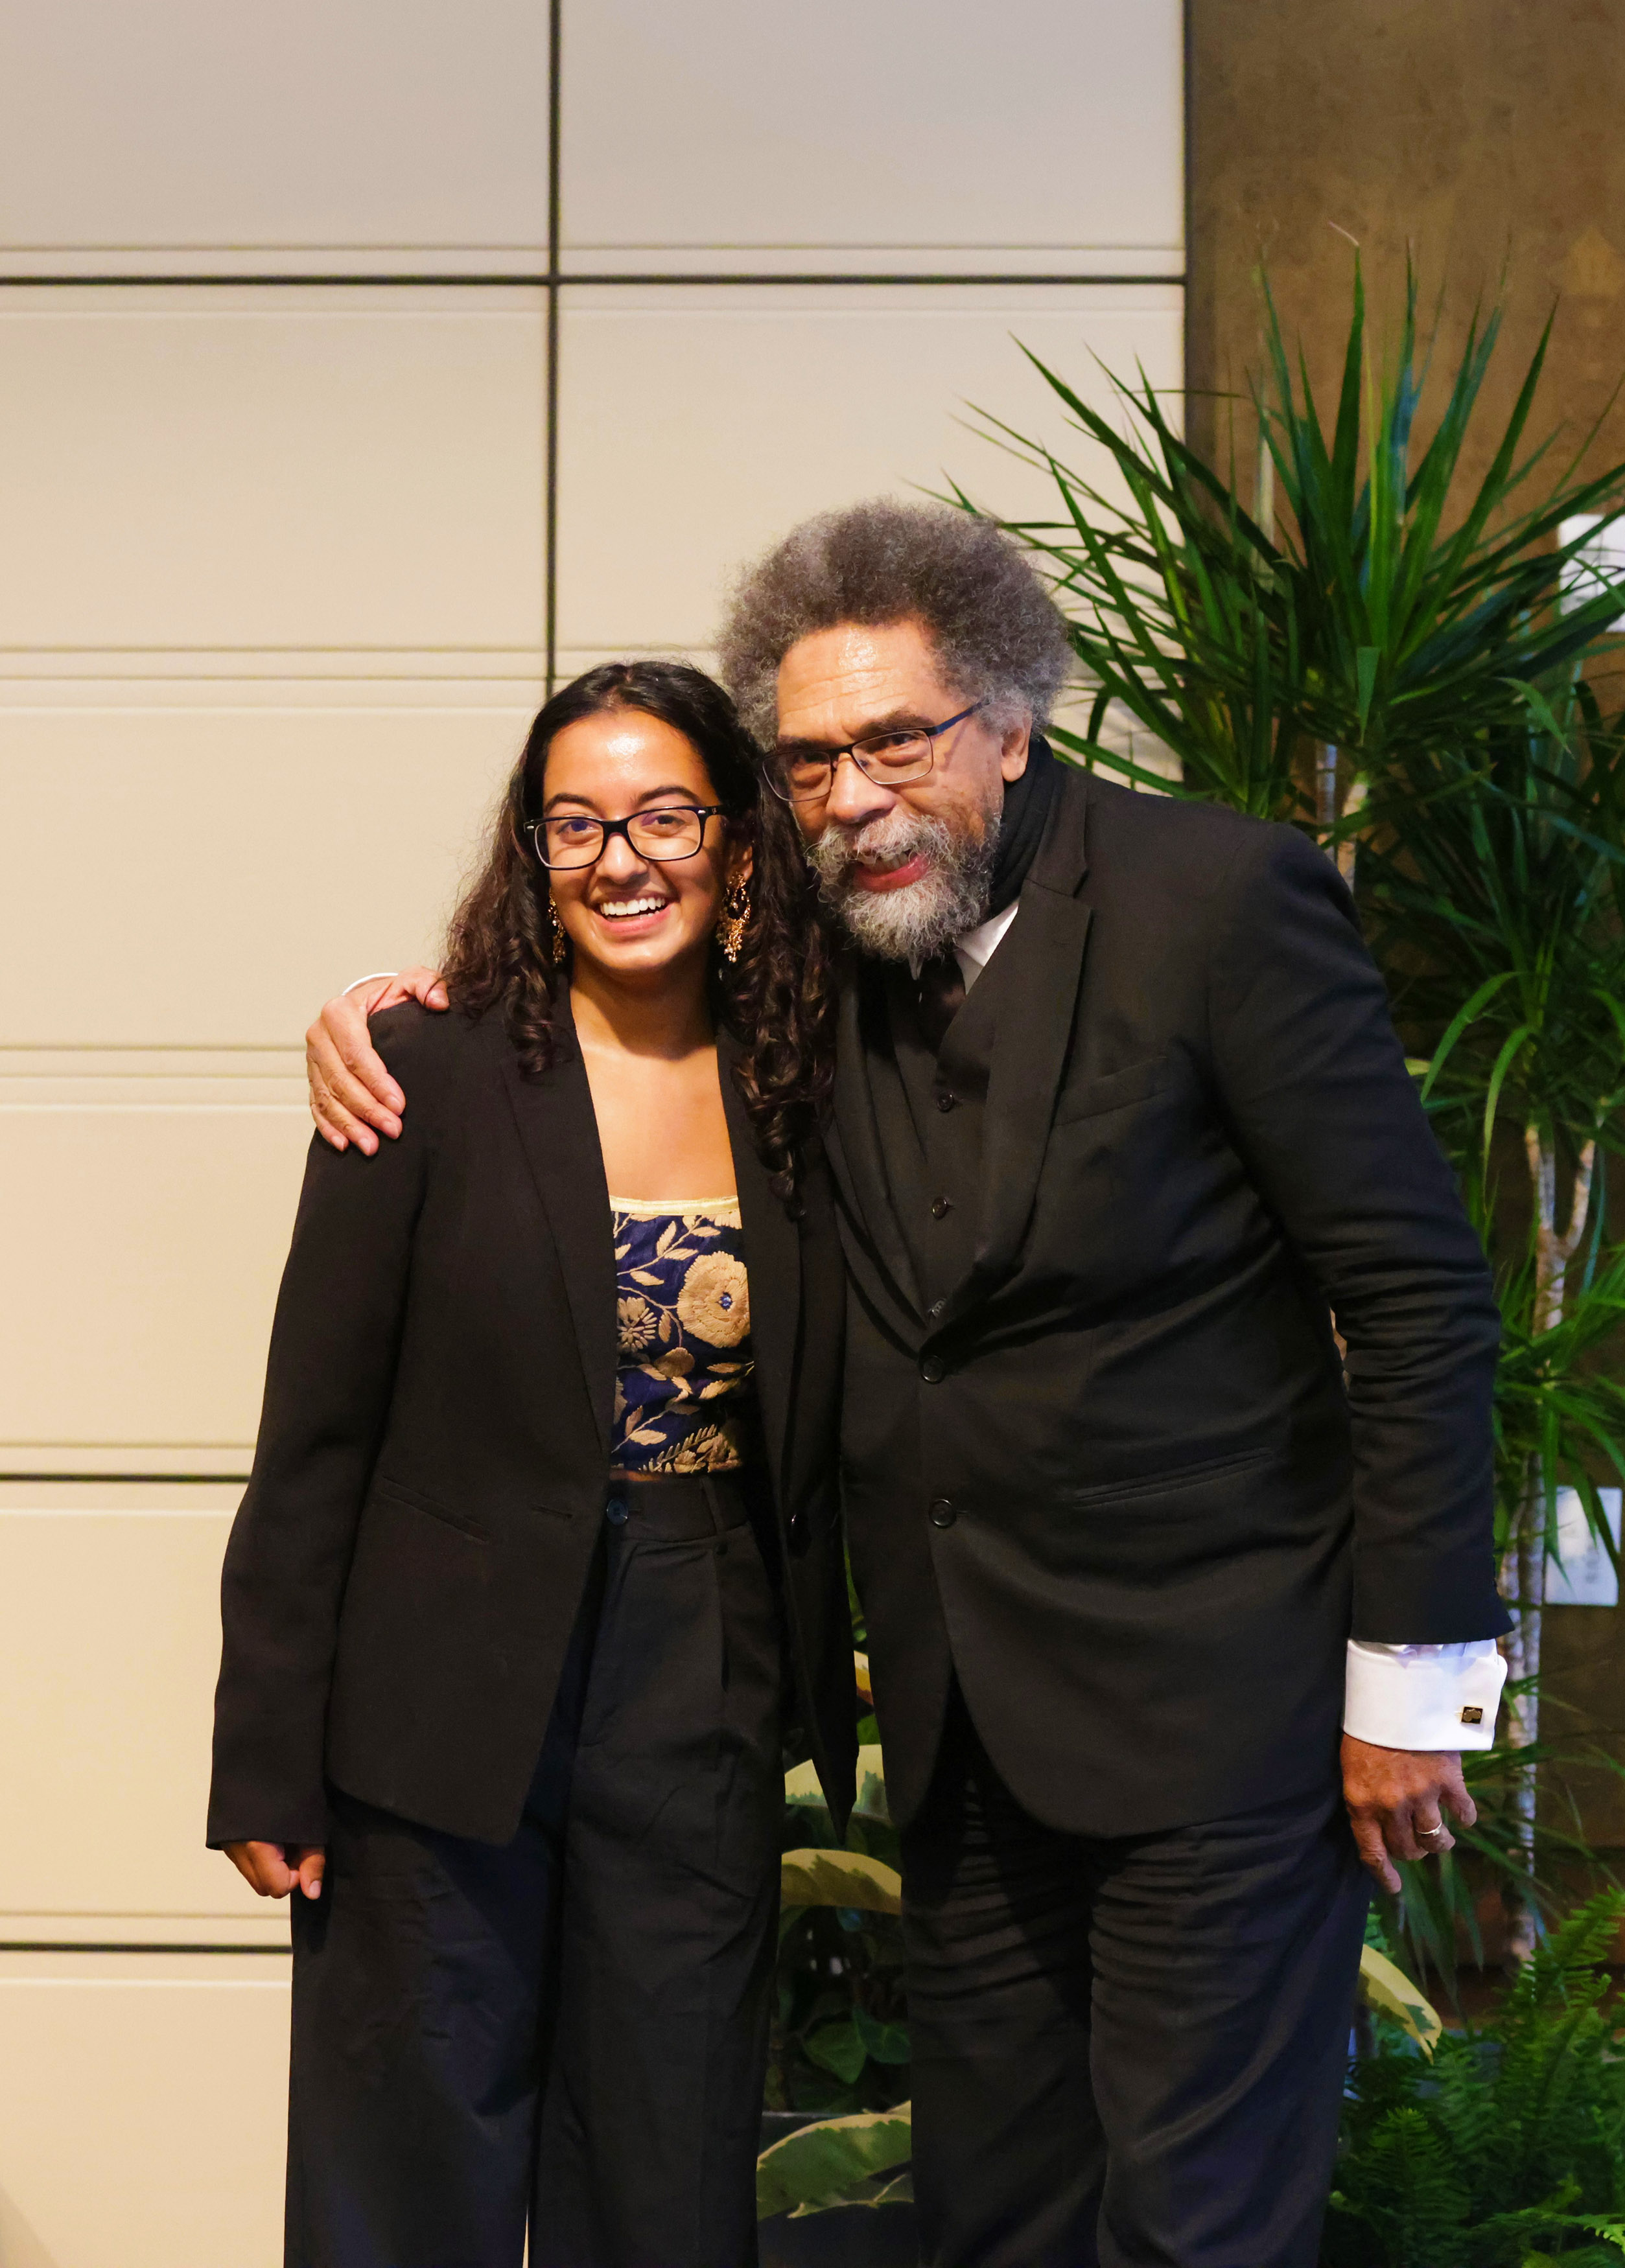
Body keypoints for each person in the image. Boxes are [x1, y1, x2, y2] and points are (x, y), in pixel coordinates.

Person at [305, 503, 1510, 2268]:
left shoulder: (1220, 898)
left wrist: (1411, 1680)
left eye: (893, 740)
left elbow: (1413, 1295)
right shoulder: (827, 939)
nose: (851, 794)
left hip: (1219, 1722)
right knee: (989, 2221)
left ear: (1012, 721)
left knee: (1194, 2229)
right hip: (959, 1736)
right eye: (804, 761)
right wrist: (386, 1007)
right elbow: (602, 923)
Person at [209, 660, 855, 2268]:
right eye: (574, 824)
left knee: (664, 2157)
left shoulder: (823, 1081)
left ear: (743, 845)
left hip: (701, 1658)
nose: (622, 859)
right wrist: (266, 1751)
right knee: (405, 2164)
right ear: (530, 851)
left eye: (664, 817)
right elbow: (316, 1434)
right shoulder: (420, 1072)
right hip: (436, 1686)